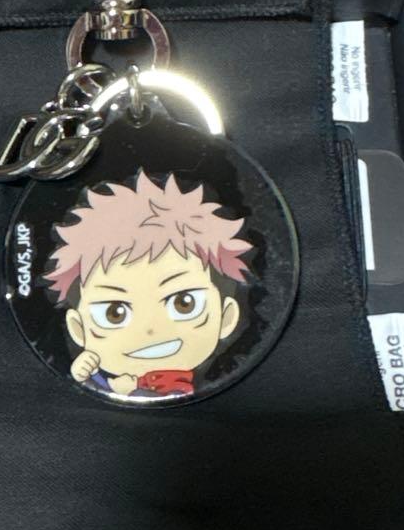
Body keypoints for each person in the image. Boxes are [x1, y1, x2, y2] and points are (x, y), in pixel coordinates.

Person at [45, 171, 252, 399]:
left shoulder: (177, 383)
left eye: (184, 303)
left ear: (226, 317)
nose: (150, 328)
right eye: (115, 313)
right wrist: (88, 375)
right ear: (78, 329)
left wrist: (125, 389)